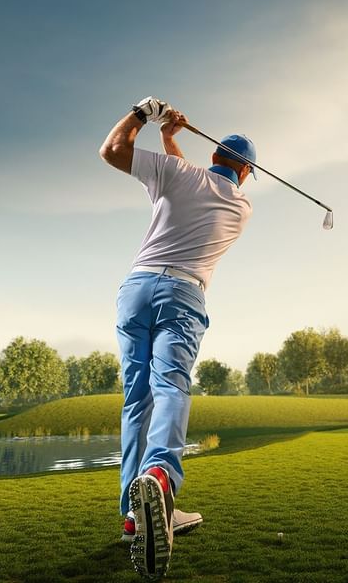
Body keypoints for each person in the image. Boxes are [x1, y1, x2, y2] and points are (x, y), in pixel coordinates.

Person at [99, 96, 255, 580]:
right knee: (171, 388)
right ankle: (161, 482)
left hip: (137, 288)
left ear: (213, 157)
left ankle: (134, 513)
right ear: (246, 173)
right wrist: (170, 140)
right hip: (183, 293)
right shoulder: (241, 206)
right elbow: (197, 182)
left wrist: (147, 116)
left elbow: (112, 149)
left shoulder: (180, 174)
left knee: (136, 399)